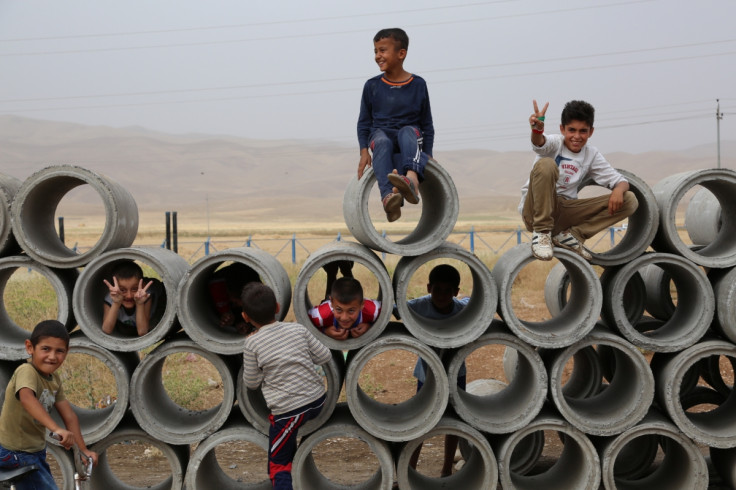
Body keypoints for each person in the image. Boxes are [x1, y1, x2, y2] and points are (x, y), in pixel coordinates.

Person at [520, 99, 638, 261]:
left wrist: (618, 189)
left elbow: (620, 181)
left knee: (630, 200)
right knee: (546, 164)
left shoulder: (591, 154)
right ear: (562, 129)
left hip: (564, 211)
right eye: (572, 130)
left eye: (583, 131)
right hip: (535, 211)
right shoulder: (555, 143)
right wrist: (537, 131)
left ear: (591, 132)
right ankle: (541, 233)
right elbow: (539, 143)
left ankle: (571, 236)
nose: (577, 136)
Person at [241, 283, 331, 490]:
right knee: (284, 442)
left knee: (277, 463)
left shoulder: (252, 344)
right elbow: (325, 355)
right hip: (318, 400)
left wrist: (266, 368)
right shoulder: (297, 328)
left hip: (290, 412)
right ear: (278, 307)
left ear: (245, 316)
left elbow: (252, 383)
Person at [0, 320, 98, 489]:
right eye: (46, 349)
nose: (52, 356)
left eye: (59, 351)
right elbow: (27, 399)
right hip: (16, 453)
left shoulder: (54, 380)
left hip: (34, 451)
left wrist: (83, 450)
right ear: (30, 348)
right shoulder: (26, 371)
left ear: (66, 353)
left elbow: (70, 416)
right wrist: (56, 429)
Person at [357, 27, 435, 222]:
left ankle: (412, 179)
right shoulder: (372, 86)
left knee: (409, 131)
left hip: (409, 136)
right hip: (381, 133)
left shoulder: (418, 84)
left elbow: (427, 123)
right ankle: (388, 198)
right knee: (382, 142)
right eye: (375, 51)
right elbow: (364, 122)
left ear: (401, 54)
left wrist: (429, 152)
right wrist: (364, 151)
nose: (377, 56)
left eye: (382, 50)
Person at [405, 264, 469, 477]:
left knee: (453, 420)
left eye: (447, 290)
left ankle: (446, 469)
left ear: (456, 292)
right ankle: (410, 469)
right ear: (428, 287)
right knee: (422, 421)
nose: (442, 295)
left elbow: (478, 301)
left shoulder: (462, 308)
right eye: (437, 289)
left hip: (455, 373)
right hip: (427, 374)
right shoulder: (418, 306)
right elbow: (396, 308)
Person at [102, 260, 163, 336]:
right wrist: (116, 303)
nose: (129, 296)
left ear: (143, 285)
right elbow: (106, 330)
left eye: (134, 289)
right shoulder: (111, 298)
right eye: (122, 290)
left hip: (160, 296)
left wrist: (140, 304)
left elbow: (142, 332)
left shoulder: (146, 296)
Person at [308, 277, 381, 341]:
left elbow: (386, 314)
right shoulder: (320, 315)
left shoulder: (373, 310)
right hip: (328, 305)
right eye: (339, 310)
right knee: (329, 292)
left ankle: (346, 270)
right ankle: (331, 273)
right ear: (332, 303)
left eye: (351, 310)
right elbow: (305, 324)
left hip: (353, 301)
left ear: (362, 305)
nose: (344, 318)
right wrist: (324, 331)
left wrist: (370, 327)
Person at [207, 262, 260, 334]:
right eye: (235, 302)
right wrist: (227, 316)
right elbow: (224, 314)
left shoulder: (256, 289)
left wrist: (247, 324)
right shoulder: (217, 288)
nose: (235, 305)